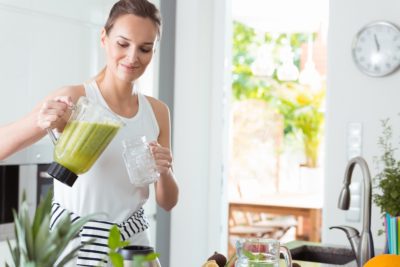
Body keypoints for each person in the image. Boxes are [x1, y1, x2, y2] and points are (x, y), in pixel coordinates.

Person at [0, 0, 178, 266]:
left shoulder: (157, 112)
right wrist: (39, 122)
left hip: (134, 246)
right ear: (104, 38)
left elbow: (168, 202)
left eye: (145, 48)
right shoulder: (75, 99)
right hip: (75, 246)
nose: (132, 57)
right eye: (123, 43)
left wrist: (164, 170)